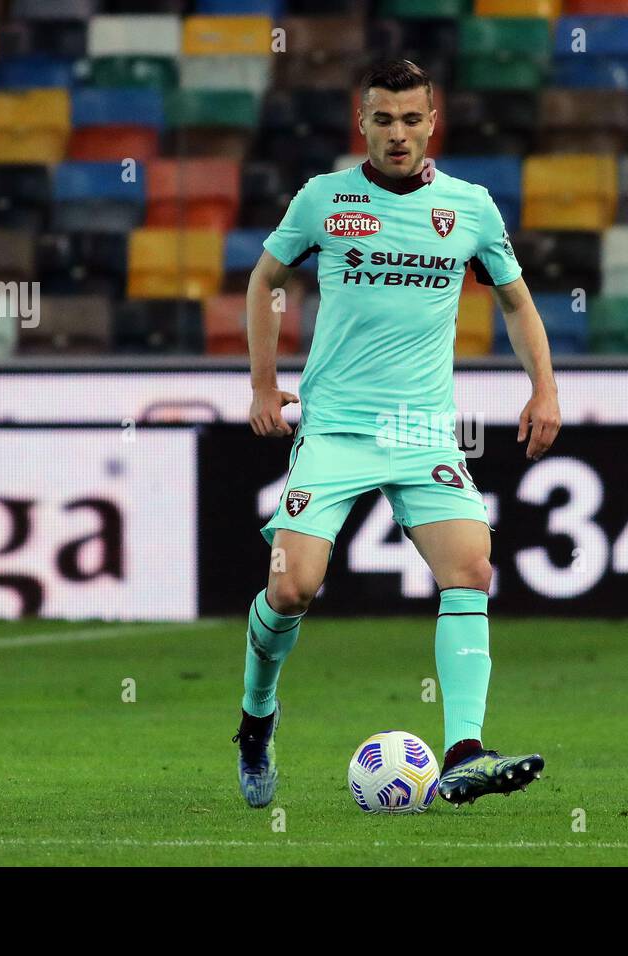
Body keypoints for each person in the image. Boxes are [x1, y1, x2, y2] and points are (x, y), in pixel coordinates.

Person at [235, 59, 561, 809]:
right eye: (383, 119)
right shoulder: (325, 200)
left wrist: (544, 387)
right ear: (363, 123)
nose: (398, 134)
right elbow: (265, 280)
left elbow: (515, 303)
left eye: (411, 119)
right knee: (291, 588)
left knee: (472, 570)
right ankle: (256, 720)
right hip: (338, 430)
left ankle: (465, 752)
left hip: (423, 433)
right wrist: (261, 383)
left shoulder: (470, 208)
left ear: (432, 123)